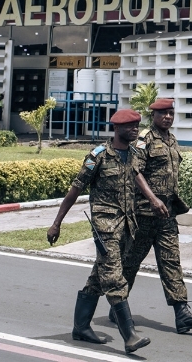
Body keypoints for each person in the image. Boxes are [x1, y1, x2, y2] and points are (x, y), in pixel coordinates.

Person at [48, 109, 160, 354]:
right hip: (105, 226)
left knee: (98, 277)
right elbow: (75, 189)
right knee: (114, 277)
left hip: (127, 225)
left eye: (136, 126)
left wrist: (152, 198)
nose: (135, 130)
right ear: (117, 129)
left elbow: (137, 175)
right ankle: (129, 336)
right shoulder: (97, 155)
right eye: (130, 126)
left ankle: (80, 327)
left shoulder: (132, 154)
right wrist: (57, 223)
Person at [120, 98, 192, 334]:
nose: (168, 117)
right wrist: (152, 198)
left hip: (167, 214)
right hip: (144, 213)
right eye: (163, 114)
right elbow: (134, 170)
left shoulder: (172, 140)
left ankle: (182, 314)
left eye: (171, 113)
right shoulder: (145, 139)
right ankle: (117, 305)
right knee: (130, 263)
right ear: (154, 116)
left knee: (171, 262)